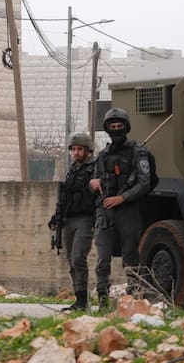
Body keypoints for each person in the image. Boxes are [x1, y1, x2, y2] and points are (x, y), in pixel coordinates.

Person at [90, 108, 152, 302]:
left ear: (126, 128)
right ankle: (102, 297)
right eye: (112, 127)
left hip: (128, 211)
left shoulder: (137, 152)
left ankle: (133, 296)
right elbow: (95, 178)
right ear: (107, 129)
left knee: (131, 255)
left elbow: (144, 182)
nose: (116, 129)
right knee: (102, 257)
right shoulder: (103, 155)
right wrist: (93, 183)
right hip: (105, 210)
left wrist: (123, 198)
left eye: (119, 126)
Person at [48, 132, 97, 311]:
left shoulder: (94, 170)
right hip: (69, 220)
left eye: (80, 149)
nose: (76, 153)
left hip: (86, 218)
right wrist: (56, 217)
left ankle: (83, 301)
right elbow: (64, 198)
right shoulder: (72, 171)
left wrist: (96, 219)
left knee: (78, 258)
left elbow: (98, 196)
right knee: (71, 260)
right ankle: (79, 300)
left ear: (87, 151)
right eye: (74, 149)